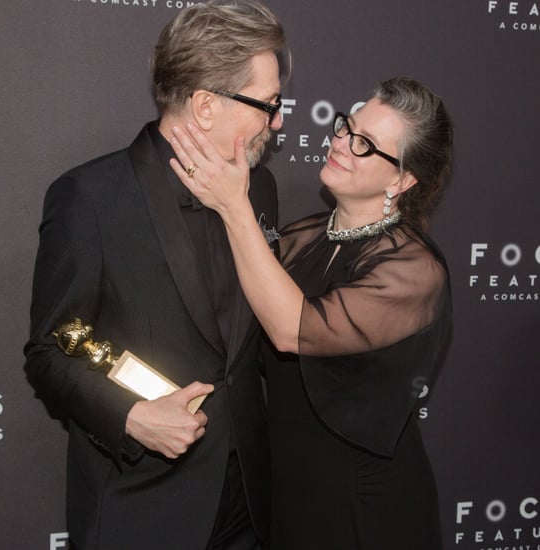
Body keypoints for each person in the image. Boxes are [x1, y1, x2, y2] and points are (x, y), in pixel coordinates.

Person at [23, 1, 287, 549]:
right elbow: (55, 345)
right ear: (206, 106)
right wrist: (131, 414)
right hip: (143, 505)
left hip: (251, 506)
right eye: (269, 103)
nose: (279, 121)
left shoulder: (260, 190)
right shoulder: (91, 197)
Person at [169, 76, 453, 549]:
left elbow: (291, 331)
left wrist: (233, 205)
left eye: (365, 145)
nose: (341, 142)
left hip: (363, 505)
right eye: (347, 127)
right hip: (288, 492)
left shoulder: (413, 269)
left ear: (402, 180)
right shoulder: (300, 237)